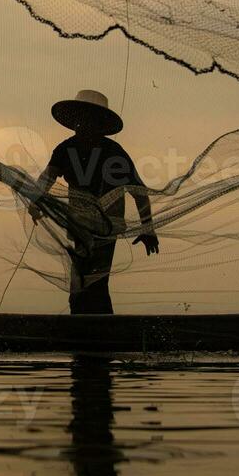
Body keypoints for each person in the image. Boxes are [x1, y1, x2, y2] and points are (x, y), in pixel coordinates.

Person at [30, 90, 159, 314]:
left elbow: (138, 192)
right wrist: (35, 200)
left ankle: (97, 336)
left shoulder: (114, 152)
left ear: (100, 124)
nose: (85, 125)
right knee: (79, 284)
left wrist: (148, 227)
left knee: (96, 284)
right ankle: (85, 334)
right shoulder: (65, 149)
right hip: (80, 225)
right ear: (76, 120)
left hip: (106, 227)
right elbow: (47, 178)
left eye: (91, 120)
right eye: (82, 119)